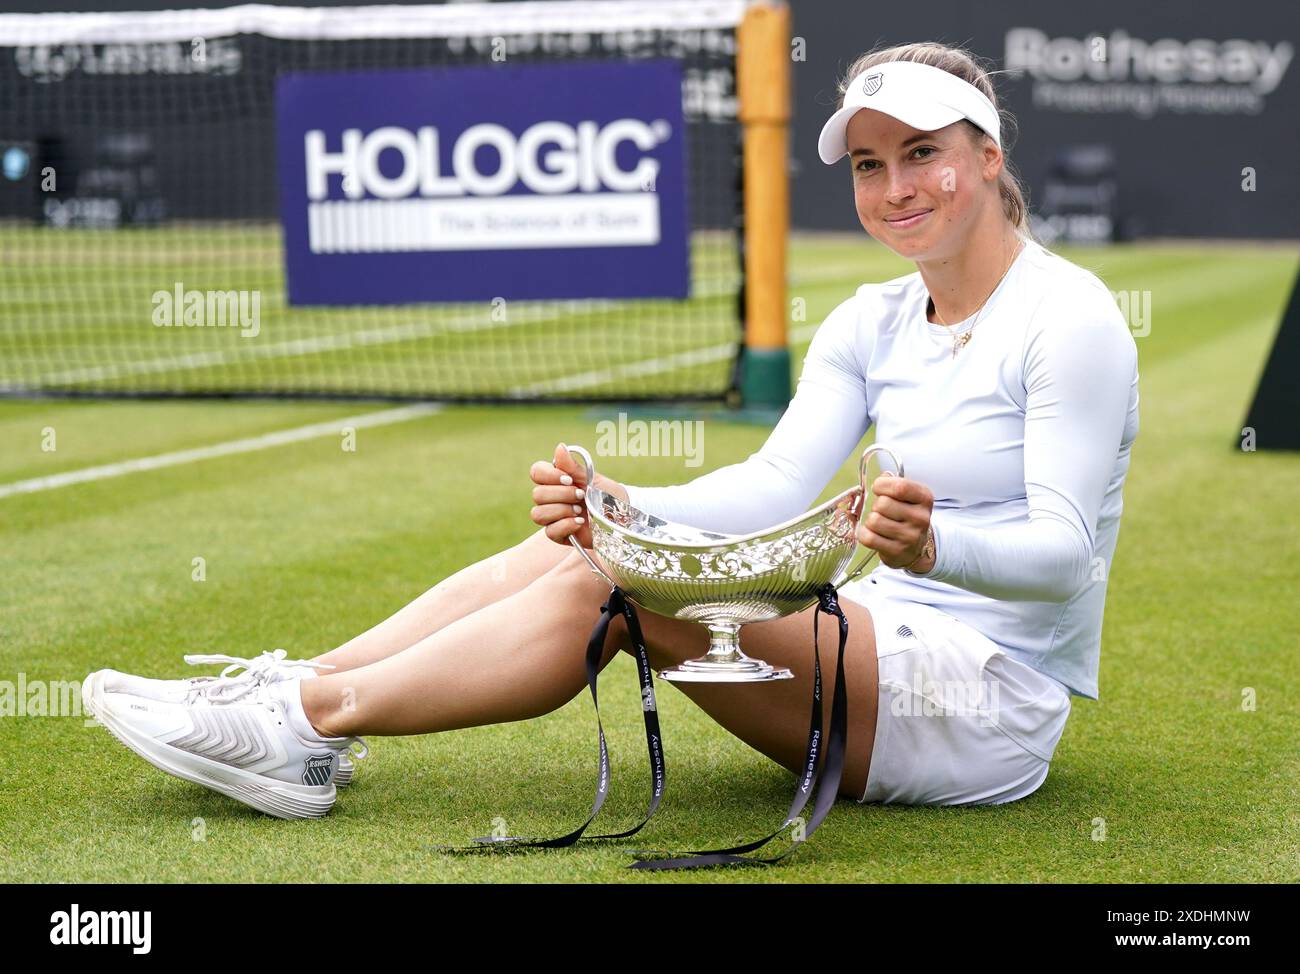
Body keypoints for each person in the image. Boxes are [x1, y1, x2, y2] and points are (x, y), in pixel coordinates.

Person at [82, 41, 1139, 819]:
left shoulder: (1071, 317)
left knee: (620, 585)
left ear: (987, 153)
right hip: (867, 637)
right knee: (588, 543)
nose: (896, 186)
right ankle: (290, 688)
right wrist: (627, 502)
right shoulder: (873, 319)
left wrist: (934, 542)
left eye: (921, 153)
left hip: (984, 697)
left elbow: (1064, 557)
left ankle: (311, 719)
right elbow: (777, 479)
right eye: (869, 164)